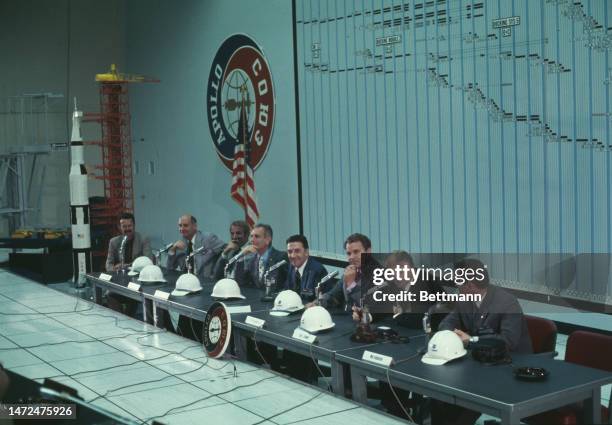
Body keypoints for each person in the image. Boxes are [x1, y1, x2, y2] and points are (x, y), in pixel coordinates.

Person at [432, 258, 533, 425]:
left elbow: (509, 342)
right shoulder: (463, 299)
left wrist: (470, 340)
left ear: (470, 285)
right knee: (440, 394)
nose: (457, 287)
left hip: (510, 367)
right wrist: (451, 334)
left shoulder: (507, 302)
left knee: (463, 398)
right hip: (479, 363)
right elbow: (446, 323)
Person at [104, 212, 152, 316]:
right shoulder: (113, 242)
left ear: (134, 226)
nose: (127, 229)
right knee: (109, 295)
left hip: (138, 281)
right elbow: (108, 264)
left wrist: (125, 266)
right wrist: (114, 268)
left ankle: (129, 319)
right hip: (120, 281)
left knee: (133, 296)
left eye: (129, 226)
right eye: (124, 226)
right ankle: (122, 320)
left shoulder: (143, 239)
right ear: (119, 227)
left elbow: (149, 261)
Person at [320, 233, 375, 310]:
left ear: (368, 252)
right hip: (348, 319)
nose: (351, 257)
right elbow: (332, 295)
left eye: (356, 252)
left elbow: (367, 306)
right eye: (349, 253)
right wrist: (317, 303)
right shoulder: (350, 271)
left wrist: (351, 284)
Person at [166, 214, 224, 282]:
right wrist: (172, 250)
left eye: (185, 225)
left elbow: (225, 250)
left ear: (195, 226)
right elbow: (170, 269)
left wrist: (215, 273)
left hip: (206, 282)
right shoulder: (180, 243)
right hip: (187, 282)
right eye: (180, 226)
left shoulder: (208, 238)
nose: (182, 229)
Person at [233, 224, 288, 290]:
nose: (252, 240)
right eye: (251, 236)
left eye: (256, 236)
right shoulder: (252, 260)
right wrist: (241, 257)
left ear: (268, 240)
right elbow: (241, 283)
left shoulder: (281, 257)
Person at [284, 234, 328, 302]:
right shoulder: (291, 267)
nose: (293, 255)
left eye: (297, 251)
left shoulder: (318, 270)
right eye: (289, 252)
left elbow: (324, 299)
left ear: (306, 252)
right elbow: (287, 291)